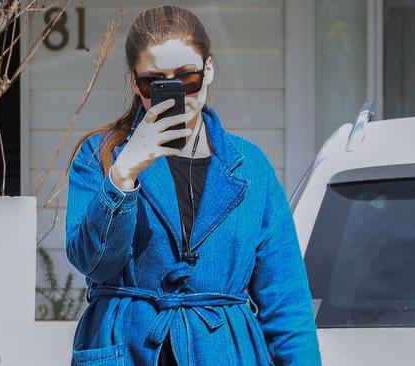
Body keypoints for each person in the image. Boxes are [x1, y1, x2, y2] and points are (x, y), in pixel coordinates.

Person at [64, 5, 321, 365]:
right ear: (135, 84)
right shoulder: (101, 156)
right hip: (128, 350)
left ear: (209, 70)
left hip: (223, 352)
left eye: (188, 78)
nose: (177, 94)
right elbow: (94, 264)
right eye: (155, 83)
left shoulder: (250, 168)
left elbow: (286, 302)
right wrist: (123, 176)